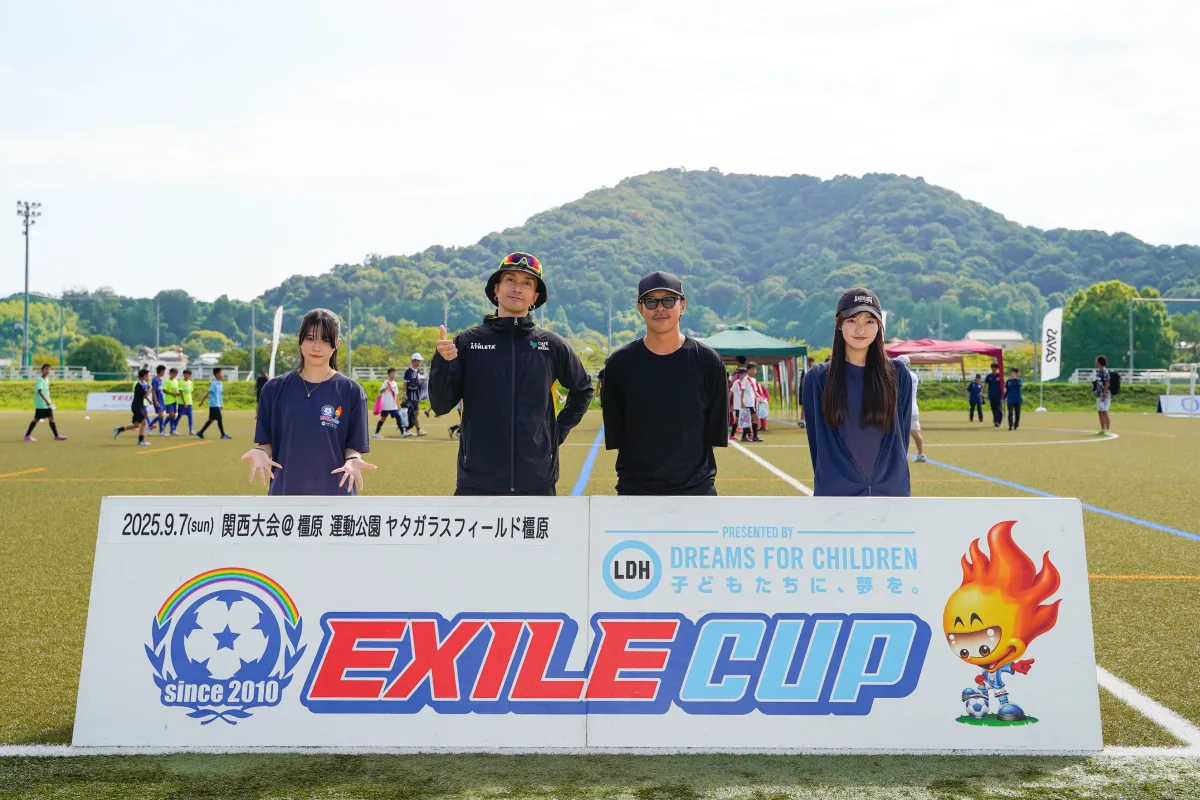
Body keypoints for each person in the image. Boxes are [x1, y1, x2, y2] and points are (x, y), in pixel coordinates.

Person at [429, 251, 593, 495]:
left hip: (536, 480)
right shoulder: (467, 342)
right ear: (496, 289)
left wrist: (555, 433)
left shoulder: (552, 345)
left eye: (527, 283)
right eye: (510, 279)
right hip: (477, 480)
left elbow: (583, 389)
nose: (517, 288)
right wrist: (441, 363)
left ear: (535, 296)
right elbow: (441, 405)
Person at [602, 271, 729, 495]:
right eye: (651, 302)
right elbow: (618, 432)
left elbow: (714, 433)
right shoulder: (619, 364)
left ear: (682, 306)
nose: (660, 308)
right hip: (636, 491)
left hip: (696, 491)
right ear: (640, 308)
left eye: (669, 300)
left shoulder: (708, 361)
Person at [244, 308, 374, 495]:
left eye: (325, 340)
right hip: (286, 493)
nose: (316, 347)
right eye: (310, 338)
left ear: (337, 343)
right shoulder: (273, 389)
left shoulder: (351, 391)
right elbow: (267, 442)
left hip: (336, 495)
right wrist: (261, 452)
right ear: (300, 338)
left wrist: (353, 460)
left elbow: (353, 446)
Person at [802, 288, 913, 497]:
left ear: (879, 325)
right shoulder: (817, 379)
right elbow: (816, 443)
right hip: (836, 495)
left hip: (891, 495)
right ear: (838, 323)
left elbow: (902, 437)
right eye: (852, 320)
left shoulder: (899, 375)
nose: (860, 329)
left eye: (869, 321)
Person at [25, 363, 67, 441]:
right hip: (41, 404)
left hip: (47, 404)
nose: (47, 371)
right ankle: (27, 435)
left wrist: (48, 402)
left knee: (51, 418)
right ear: (42, 370)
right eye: (46, 369)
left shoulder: (47, 380)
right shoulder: (40, 380)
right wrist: (47, 401)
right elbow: (40, 391)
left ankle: (56, 435)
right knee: (36, 419)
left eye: (49, 369)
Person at [897, 355, 926, 462]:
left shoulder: (901, 376)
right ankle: (921, 454)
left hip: (902, 409)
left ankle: (900, 456)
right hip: (912, 408)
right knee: (914, 432)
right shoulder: (913, 376)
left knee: (898, 434)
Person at [113, 368, 152, 446]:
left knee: (136, 425)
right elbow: (145, 395)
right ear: (144, 376)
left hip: (139, 406)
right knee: (144, 422)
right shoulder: (138, 385)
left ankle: (119, 429)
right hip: (137, 406)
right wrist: (150, 388)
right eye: (148, 375)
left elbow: (144, 396)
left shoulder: (143, 384)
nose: (149, 377)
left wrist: (149, 401)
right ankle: (141, 441)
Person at [196, 367, 232, 439]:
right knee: (219, 419)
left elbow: (220, 395)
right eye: (221, 373)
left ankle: (200, 432)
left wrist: (221, 404)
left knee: (211, 419)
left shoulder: (220, 383)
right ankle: (223, 435)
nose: (222, 374)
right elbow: (208, 393)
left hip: (217, 404)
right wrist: (202, 401)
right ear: (217, 374)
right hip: (213, 405)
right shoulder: (214, 383)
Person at [373, 367, 404, 439]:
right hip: (386, 405)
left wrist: (398, 404)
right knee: (383, 418)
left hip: (393, 405)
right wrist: (387, 387)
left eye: (394, 373)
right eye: (392, 373)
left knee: (398, 417)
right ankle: (376, 433)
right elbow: (380, 391)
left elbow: (396, 395)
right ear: (388, 374)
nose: (394, 375)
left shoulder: (395, 383)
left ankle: (402, 432)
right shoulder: (386, 382)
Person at [402, 354, 427, 438]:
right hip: (410, 395)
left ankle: (417, 429)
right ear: (414, 361)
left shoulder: (418, 371)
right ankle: (406, 430)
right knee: (410, 413)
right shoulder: (408, 371)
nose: (420, 362)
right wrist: (404, 394)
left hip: (416, 395)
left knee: (416, 413)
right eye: (419, 361)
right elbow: (405, 383)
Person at [729, 367, 754, 441]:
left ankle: (734, 435)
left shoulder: (745, 382)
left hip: (744, 404)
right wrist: (727, 402)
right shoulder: (737, 382)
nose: (746, 376)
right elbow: (731, 392)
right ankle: (749, 434)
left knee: (741, 420)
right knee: (745, 419)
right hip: (739, 405)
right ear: (740, 374)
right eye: (745, 374)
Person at [744, 362, 765, 441]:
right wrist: (742, 403)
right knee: (755, 418)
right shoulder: (746, 379)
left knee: (749, 420)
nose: (754, 371)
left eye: (755, 369)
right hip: (747, 403)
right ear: (748, 370)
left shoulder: (753, 380)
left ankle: (746, 436)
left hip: (752, 403)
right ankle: (754, 436)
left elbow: (755, 391)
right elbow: (742, 391)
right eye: (752, 369)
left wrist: (760, 398)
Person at [172, 369, 195, 435]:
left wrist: (190, 401)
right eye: (185, 374)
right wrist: (184, 402)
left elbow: (190, 392)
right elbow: (181, 393)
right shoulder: (181, 382)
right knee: (179, 416)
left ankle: (191, 430)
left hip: (189, 402)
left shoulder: (190, 382)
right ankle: (173, 429)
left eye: (188, 374)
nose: (186, 375)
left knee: (190, 416)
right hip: (182, 402)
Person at [146, 365, 167, 435]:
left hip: (161, 400)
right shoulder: (155, 380)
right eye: (164, 371)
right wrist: (156, 401)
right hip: (157, 400)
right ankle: (149, 426)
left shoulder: (160, 380)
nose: (164, 373)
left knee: (161, 415)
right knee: (161, 415)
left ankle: (161, 431)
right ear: (161, 371)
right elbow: (153, 391)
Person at [1094, 355, 1112, 435]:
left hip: (1105, 395)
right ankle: (1103, 429)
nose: (1095, 363)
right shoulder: (1098, 372)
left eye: (1096, 361)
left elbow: (1107, 383)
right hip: (1098, 395)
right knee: (1100, 412)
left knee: (1104, 411)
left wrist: (1104, 395)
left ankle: (1108, 429)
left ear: (1099, 362)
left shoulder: (1105, 372)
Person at [984, 362, 1005, 428]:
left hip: (998, 394)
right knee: (993, 408)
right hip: (991, 395)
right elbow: (985, 384)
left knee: (998, 408)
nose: (993, 369)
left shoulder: (1000, 375)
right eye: (992, 368)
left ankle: (997, 421)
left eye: (995, 368)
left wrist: (1004, 391)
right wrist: (982, 392)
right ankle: (996, 420)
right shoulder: (989, 376)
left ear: (997, 368)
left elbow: (1003, 384)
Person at [162, 367, 181, 436]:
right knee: (172, 415)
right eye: (173, 373)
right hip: (168, 401)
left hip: (174, 401)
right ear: (170, 373)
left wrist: (177, 393)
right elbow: (164, 390)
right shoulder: (167, 381)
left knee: (173, 416)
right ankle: (163, 426)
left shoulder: (176, 381)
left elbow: (177, 390)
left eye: (176, 374)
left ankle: (172, 430)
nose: (174, 375)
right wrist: (172, 393)